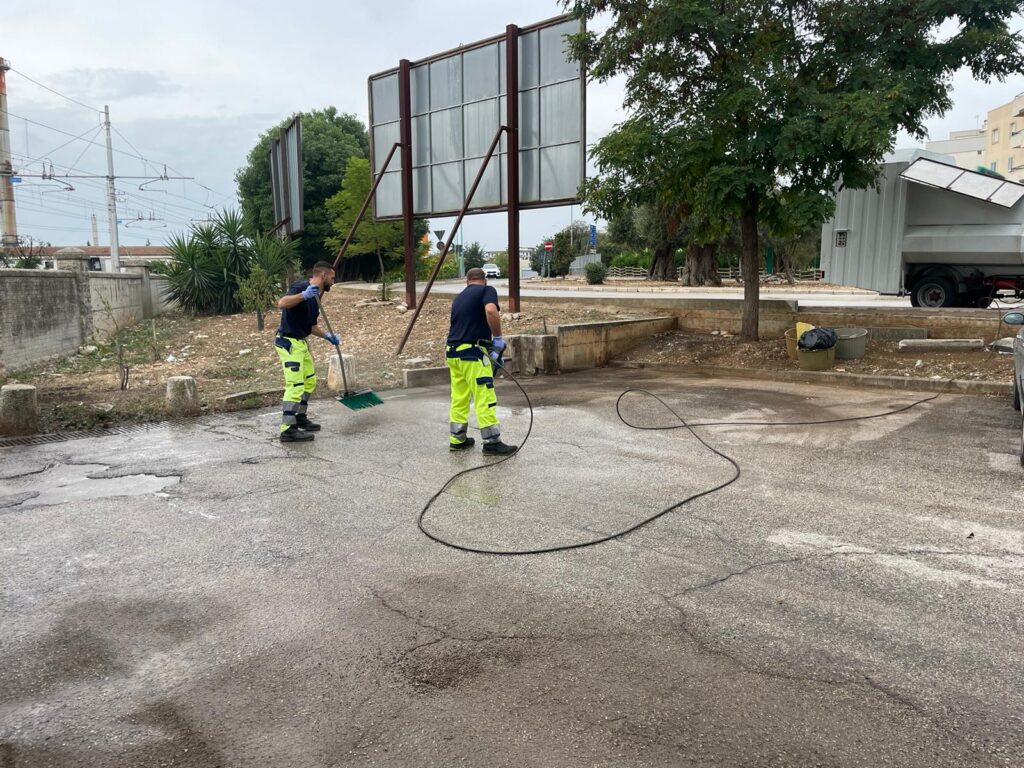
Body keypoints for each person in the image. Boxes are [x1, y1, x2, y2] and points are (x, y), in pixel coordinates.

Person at [445, 267, 517, 455]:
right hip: (472, 354)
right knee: (484, 395)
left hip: (453, 352)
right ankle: (492, 442)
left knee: (459, 397)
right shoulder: (487, 290)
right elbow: (491, 310)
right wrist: (498, 338)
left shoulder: (459, 297)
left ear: (467, 282)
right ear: (484, 280)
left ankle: (457, 439)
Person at [274, 261, 339, 442]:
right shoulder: (301, 287)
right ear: (323, 276)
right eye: (332, 278)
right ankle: (288, 430)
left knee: (309, 382)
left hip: (301, 343)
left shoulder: (317, 297)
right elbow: (282, 303)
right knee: (295, 385)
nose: (333, 282)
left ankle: (300, 418)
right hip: (288, 343)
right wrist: (303, 295)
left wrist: (327, 336)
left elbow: (311, 327)